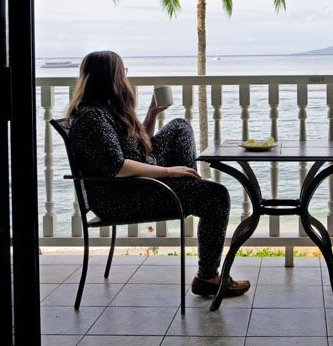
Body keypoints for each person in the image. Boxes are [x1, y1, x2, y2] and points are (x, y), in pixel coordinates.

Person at [65, 50, 250, 297]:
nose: (125, 77)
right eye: (122, 72)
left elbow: (137, 150)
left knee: (178, 126)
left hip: (137, 183)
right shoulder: (92, 117)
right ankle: (208, 276)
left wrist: (152, 115)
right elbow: (118, 167)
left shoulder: (106, 110)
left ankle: (190, 189)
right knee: (216, 195)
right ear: (111, 78)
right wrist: (167, 171)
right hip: (120, 197)